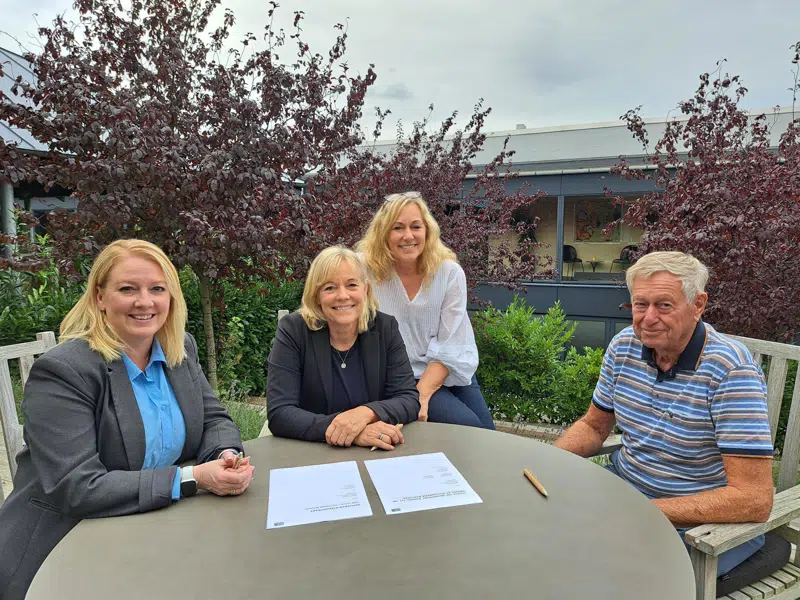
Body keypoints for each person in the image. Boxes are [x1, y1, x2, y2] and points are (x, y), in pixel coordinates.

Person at [0, 239, 254, 600]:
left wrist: (224, 455)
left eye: (157, 289)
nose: (144, 302)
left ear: (171, 297)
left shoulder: (179, 348)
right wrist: (193, 477)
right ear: (100, 297)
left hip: (148, 534)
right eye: (127, 289)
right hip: (60, 551)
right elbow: (77, 486)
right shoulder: (63, 371)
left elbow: (214, 419)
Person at [554, 251, 774, 576]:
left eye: (664, 305)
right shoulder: (623, 346)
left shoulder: (730, 370)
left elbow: (754, 499)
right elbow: (593, 426)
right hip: (625, 492)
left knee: (603, 574)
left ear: (698, 305)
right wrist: (546, 461)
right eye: (640, 305)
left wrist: (639, 511)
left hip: (699, 525)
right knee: (545, 535)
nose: (648, 317)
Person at [356, 191, 495, 430]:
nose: (408, 236)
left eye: (415, 227)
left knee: (488, 435)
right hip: (400, 377)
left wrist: (421, 397)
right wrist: (411, 399)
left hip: (450, 366)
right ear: (383, 233)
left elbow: (452, 342)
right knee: (469, 429)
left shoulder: (449, 273)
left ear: (427, 231)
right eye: (397, 228)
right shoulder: (363, 270)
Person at [266, 246, 419, 448]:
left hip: (375, 453)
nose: (343, 295)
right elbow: (280, 412)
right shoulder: (294, 330)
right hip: (312, 452)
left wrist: (365, 413)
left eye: (352, 285)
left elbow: (408, 399)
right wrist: (353, 432)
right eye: (330, 287)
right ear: (316, 295)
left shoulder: (385, 328)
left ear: (365, 289)